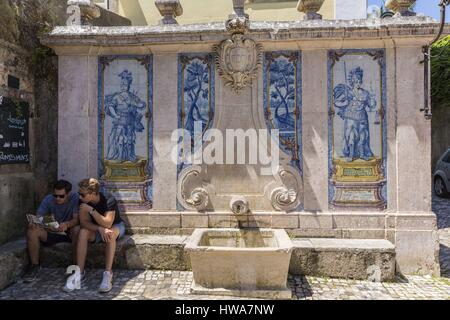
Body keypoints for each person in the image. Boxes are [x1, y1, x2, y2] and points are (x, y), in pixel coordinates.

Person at [64, 178, 125, 293]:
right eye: (79, 194)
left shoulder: (108, 199)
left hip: (116, 226)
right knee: (82, 232)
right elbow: (84, 223)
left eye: (82, 194)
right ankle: (79, 274)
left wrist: (92, 210)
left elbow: (108, 223)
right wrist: (99, 228)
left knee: (110, 234)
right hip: (97, 228)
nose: (80, 197)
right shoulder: (83, 201)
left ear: (92, 194)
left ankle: (108, 274)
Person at [23, 180, 80, 282]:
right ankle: (34, 266)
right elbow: (39, 216)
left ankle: (75, 266)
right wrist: (48, 224)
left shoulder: (75, 198)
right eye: (55, 195)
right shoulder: (49, 199)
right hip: (53, 230)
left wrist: (67, 225)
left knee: (77, 230)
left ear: (68, 194)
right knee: (32, 230)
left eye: (61, 196)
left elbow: (76, 219)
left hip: (70, 231)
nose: (57, 198)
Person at [333, 66, 377, 161]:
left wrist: (372, 99)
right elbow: (337, 103)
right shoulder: (348, 92)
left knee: (363, 136)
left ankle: (362, 154)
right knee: (351, 136)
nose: (358, 83)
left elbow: (371, 106)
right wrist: (343, 102)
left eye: (359, 80)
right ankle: (351, 155)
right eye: (356, 81)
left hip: (362, 118)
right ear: (352, 81)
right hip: (351, 117)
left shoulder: (365, 93)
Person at [105, 69, 146, 162]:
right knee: (120, 139)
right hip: (119, 121)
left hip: (130, 121)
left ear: (129, 85)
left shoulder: (132, 96)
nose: (123, 86)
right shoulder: (117, 96)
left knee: (130, 139)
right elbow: (110, 106)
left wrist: (135, 104)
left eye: (125, 84)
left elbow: (142, 105)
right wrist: (115, 115)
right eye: (122, 84)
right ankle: (119, 156)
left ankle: (130, 156)